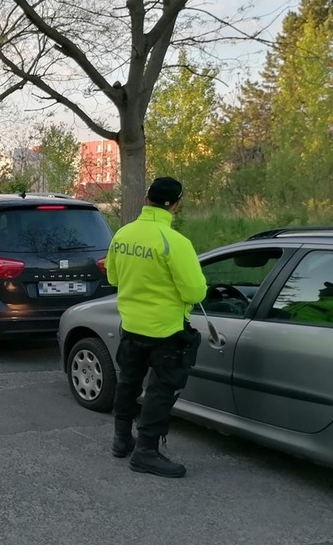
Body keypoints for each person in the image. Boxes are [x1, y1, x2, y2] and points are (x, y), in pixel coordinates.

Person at [106, 176, 207, 478]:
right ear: (176, 204)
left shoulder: (122, 234)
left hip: (131, 327)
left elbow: (113, 278)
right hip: (166, 333)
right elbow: (194, 293)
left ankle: (122, 439)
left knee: (128, 384)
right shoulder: (175, 243)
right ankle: (146, 451)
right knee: (161, 391)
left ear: (146, 199)